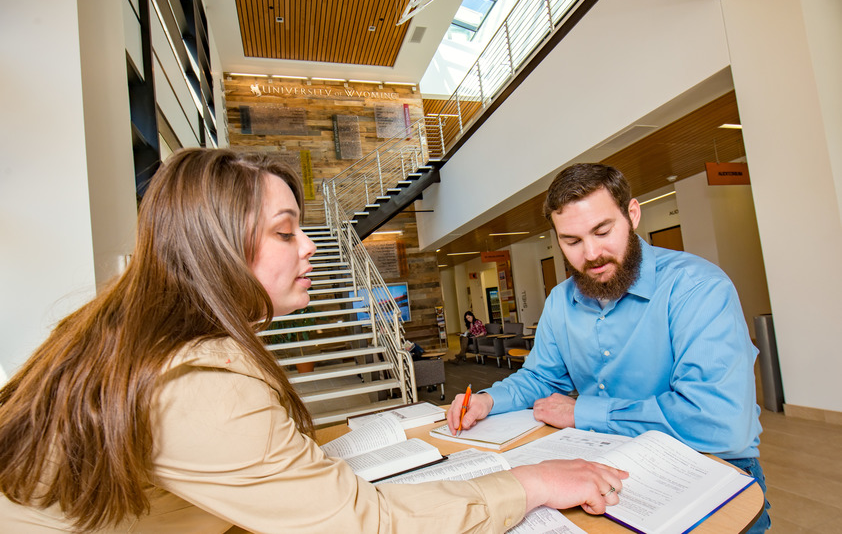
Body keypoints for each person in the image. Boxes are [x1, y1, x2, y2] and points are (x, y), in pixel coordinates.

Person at [0, 149, 627, 532]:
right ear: (219, 248)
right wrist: (534, 483)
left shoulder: (150, 334)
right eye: (285, 232)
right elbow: (366, 524)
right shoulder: (199, 382)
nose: (308, 247)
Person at [446, 163, 770, 532]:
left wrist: (585, 412)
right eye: (572, 242)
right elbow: (539, 378)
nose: (592, 254)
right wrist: (489, 400)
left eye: (603, 231)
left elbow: (718, 422)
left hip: (710, 471)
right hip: (608, 468)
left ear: (632, 215)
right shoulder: (559, 301)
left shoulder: (697, 288)